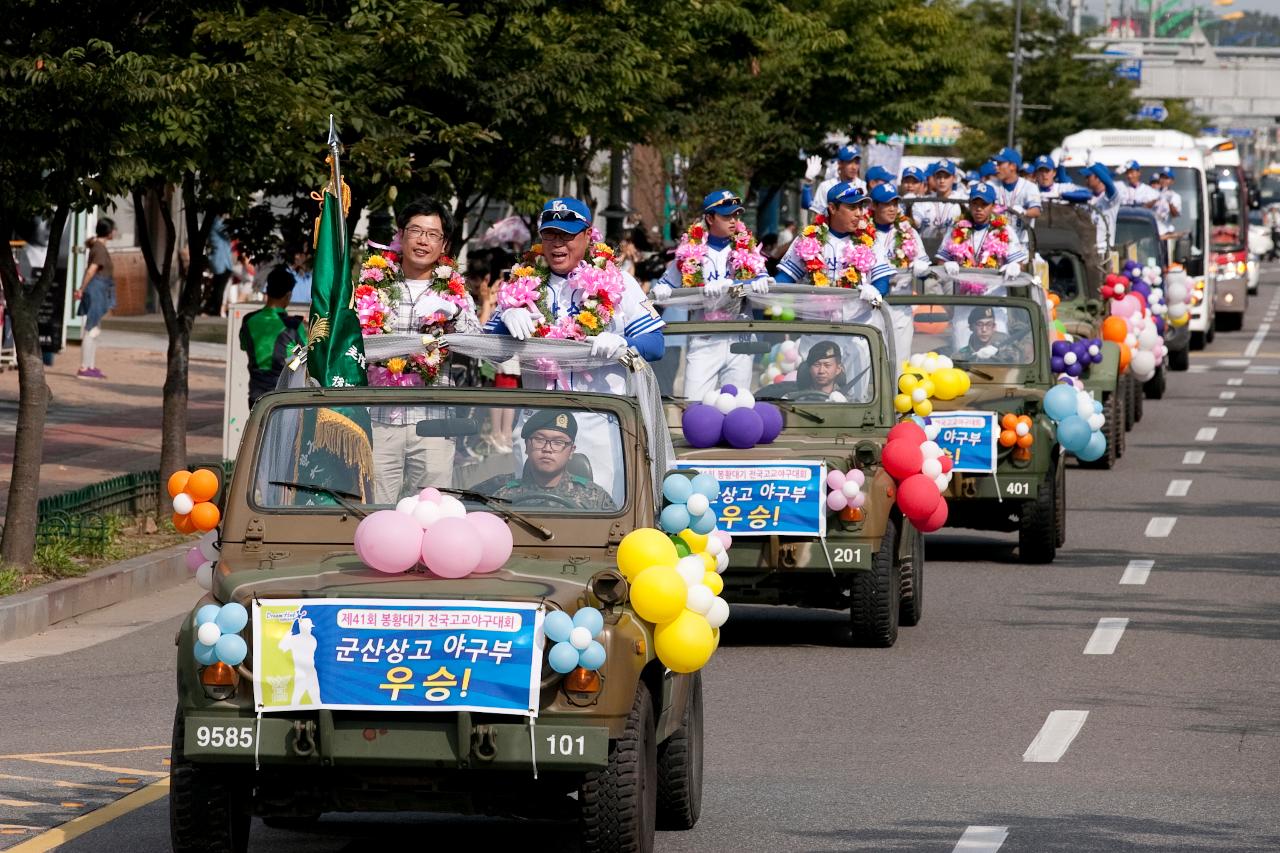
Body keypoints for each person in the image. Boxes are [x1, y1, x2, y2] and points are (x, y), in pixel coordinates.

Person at [486, 197, 663, 505]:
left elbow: (656, 344)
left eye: (567, 235)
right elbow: (491, 353)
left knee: (604, 506)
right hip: (537, 425)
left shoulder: (618, 281)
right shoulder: (521, 284)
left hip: (599, 419)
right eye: (551, 234)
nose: (558, 244)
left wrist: (623, 345)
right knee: (530, 509)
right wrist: (506, 317)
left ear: (587, 235)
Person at [369, 197, 482, 504]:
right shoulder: (373, 285)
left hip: (433, 419)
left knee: (432, 513)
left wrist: (453, 314)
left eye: (433, 234)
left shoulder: (455, 292)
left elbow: (477, 346)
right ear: (400, 234)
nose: (423, 241)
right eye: (416, 230)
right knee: (375, 511)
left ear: (444, 245)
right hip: (379, 418)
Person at [650, 189, 770, 399]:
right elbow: (665, 286)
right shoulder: (691, 251)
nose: (733, 220)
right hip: (705, 338)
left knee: (737, 407)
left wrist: (735, 283)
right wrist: (661, 292)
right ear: (709, 218)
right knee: (694, 404)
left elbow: (765, 280)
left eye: (736, 215)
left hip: (739, 337)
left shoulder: (746, 247)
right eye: (726, 216)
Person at [490, 410, 616, 510]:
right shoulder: (503, 498)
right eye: (539, 440)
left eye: (558, 442)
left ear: (571, 451)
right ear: (527, 447)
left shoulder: (596, 499)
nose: (547, 449)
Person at [868, 183, 930, 364]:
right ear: (874, 205)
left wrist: (921, 267)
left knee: (899, 361)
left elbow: (925, 269)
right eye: (887, 204)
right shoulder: (861, 231)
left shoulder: (907, 231)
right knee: (870, 360)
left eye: (895, 204)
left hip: (900, 304)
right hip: (869, 305)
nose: (892, 209)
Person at [240, 266, 304, 408]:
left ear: (267, 291)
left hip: (256, 397)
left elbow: (244, 346)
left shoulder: (248, 320)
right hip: (283, 397)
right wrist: (290, 367)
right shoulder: (294, 326)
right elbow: (303, 358)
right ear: (288, 295)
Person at [936, 183, 1027, 277]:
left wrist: (1015, 266)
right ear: (969, 205)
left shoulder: (1004, 230)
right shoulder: (956, 228)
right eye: (975, 204)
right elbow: (941, 261)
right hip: (962, 288)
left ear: (993, 206)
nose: (979, 209)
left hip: (995, 289)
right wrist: (947, 265)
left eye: (984, 204)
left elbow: (1019, 264)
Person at [74, 217, 118, 380]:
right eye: (113, 229)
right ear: (108, 232)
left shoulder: (99, 246)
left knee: (95, 329)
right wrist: (81, 289)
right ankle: (84, 367)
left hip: (99, 288)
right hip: (96, 289)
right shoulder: (99, 248)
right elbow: (92, 270)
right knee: (91, 328)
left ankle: (90, 366)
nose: (115, 232)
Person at [991, 147, 1041, 243]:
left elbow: (1036, 211)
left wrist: (1024, 212)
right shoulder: (992, 185)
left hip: (1022, 243)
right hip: (997, 242)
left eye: (1000, 164)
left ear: (1013, 166)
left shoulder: (1029, 187)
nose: (996, 167)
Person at [806, 145, 865, 219]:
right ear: (840, 164)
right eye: (849, 162)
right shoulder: (826, 186)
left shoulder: (864, 186)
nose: (854, 167)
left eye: (856, 162)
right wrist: (808, 182)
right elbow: (817, 215)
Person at [916, 160, 967, 237]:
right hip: (927, 246)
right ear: (934, 178)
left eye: (946, 177)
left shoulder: (962, 199)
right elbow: (915, 223)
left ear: (954, 178)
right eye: (939, 177)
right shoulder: (924, 201)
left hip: (952, 247)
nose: (942, 181)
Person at [1079, 162, 1122, 255]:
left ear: (1098, 177)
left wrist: (1092, 166)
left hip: (1104, 250)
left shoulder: (1110, 198)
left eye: (1088, 176)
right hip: (1086, 249)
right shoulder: (1086, 196)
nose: (1085, 179)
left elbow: (1109, 184)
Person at [204, 214, 233, 316]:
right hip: (221, 262)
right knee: (219, 288)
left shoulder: (215, 222)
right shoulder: (217, 223)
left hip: (222, 261)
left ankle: (212, 309)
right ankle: (215, 310)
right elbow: (230, 231)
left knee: (218, 287)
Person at [1155, 167, 1182, 235]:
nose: (1164, 180)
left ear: (1172, 181)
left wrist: (1170, 203)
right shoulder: (1153, 193)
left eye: (1167, 178)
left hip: (1166, 231)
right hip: (1153, 230)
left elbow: (1175, 214)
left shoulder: (1175, 196)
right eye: (1162, 178)